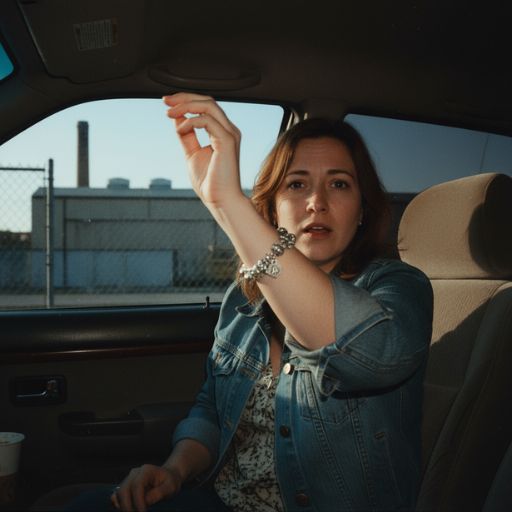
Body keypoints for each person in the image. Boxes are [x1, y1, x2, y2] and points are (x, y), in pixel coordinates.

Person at [69, 93, 433, 512]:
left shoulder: (399, 288)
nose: (317, 201)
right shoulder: (244, 300)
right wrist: (174, 471)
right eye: (296, 184)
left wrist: (228, 202)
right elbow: (211, 410)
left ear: (362, 210)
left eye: (339, 184)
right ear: (274, 210)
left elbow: (369, 351)